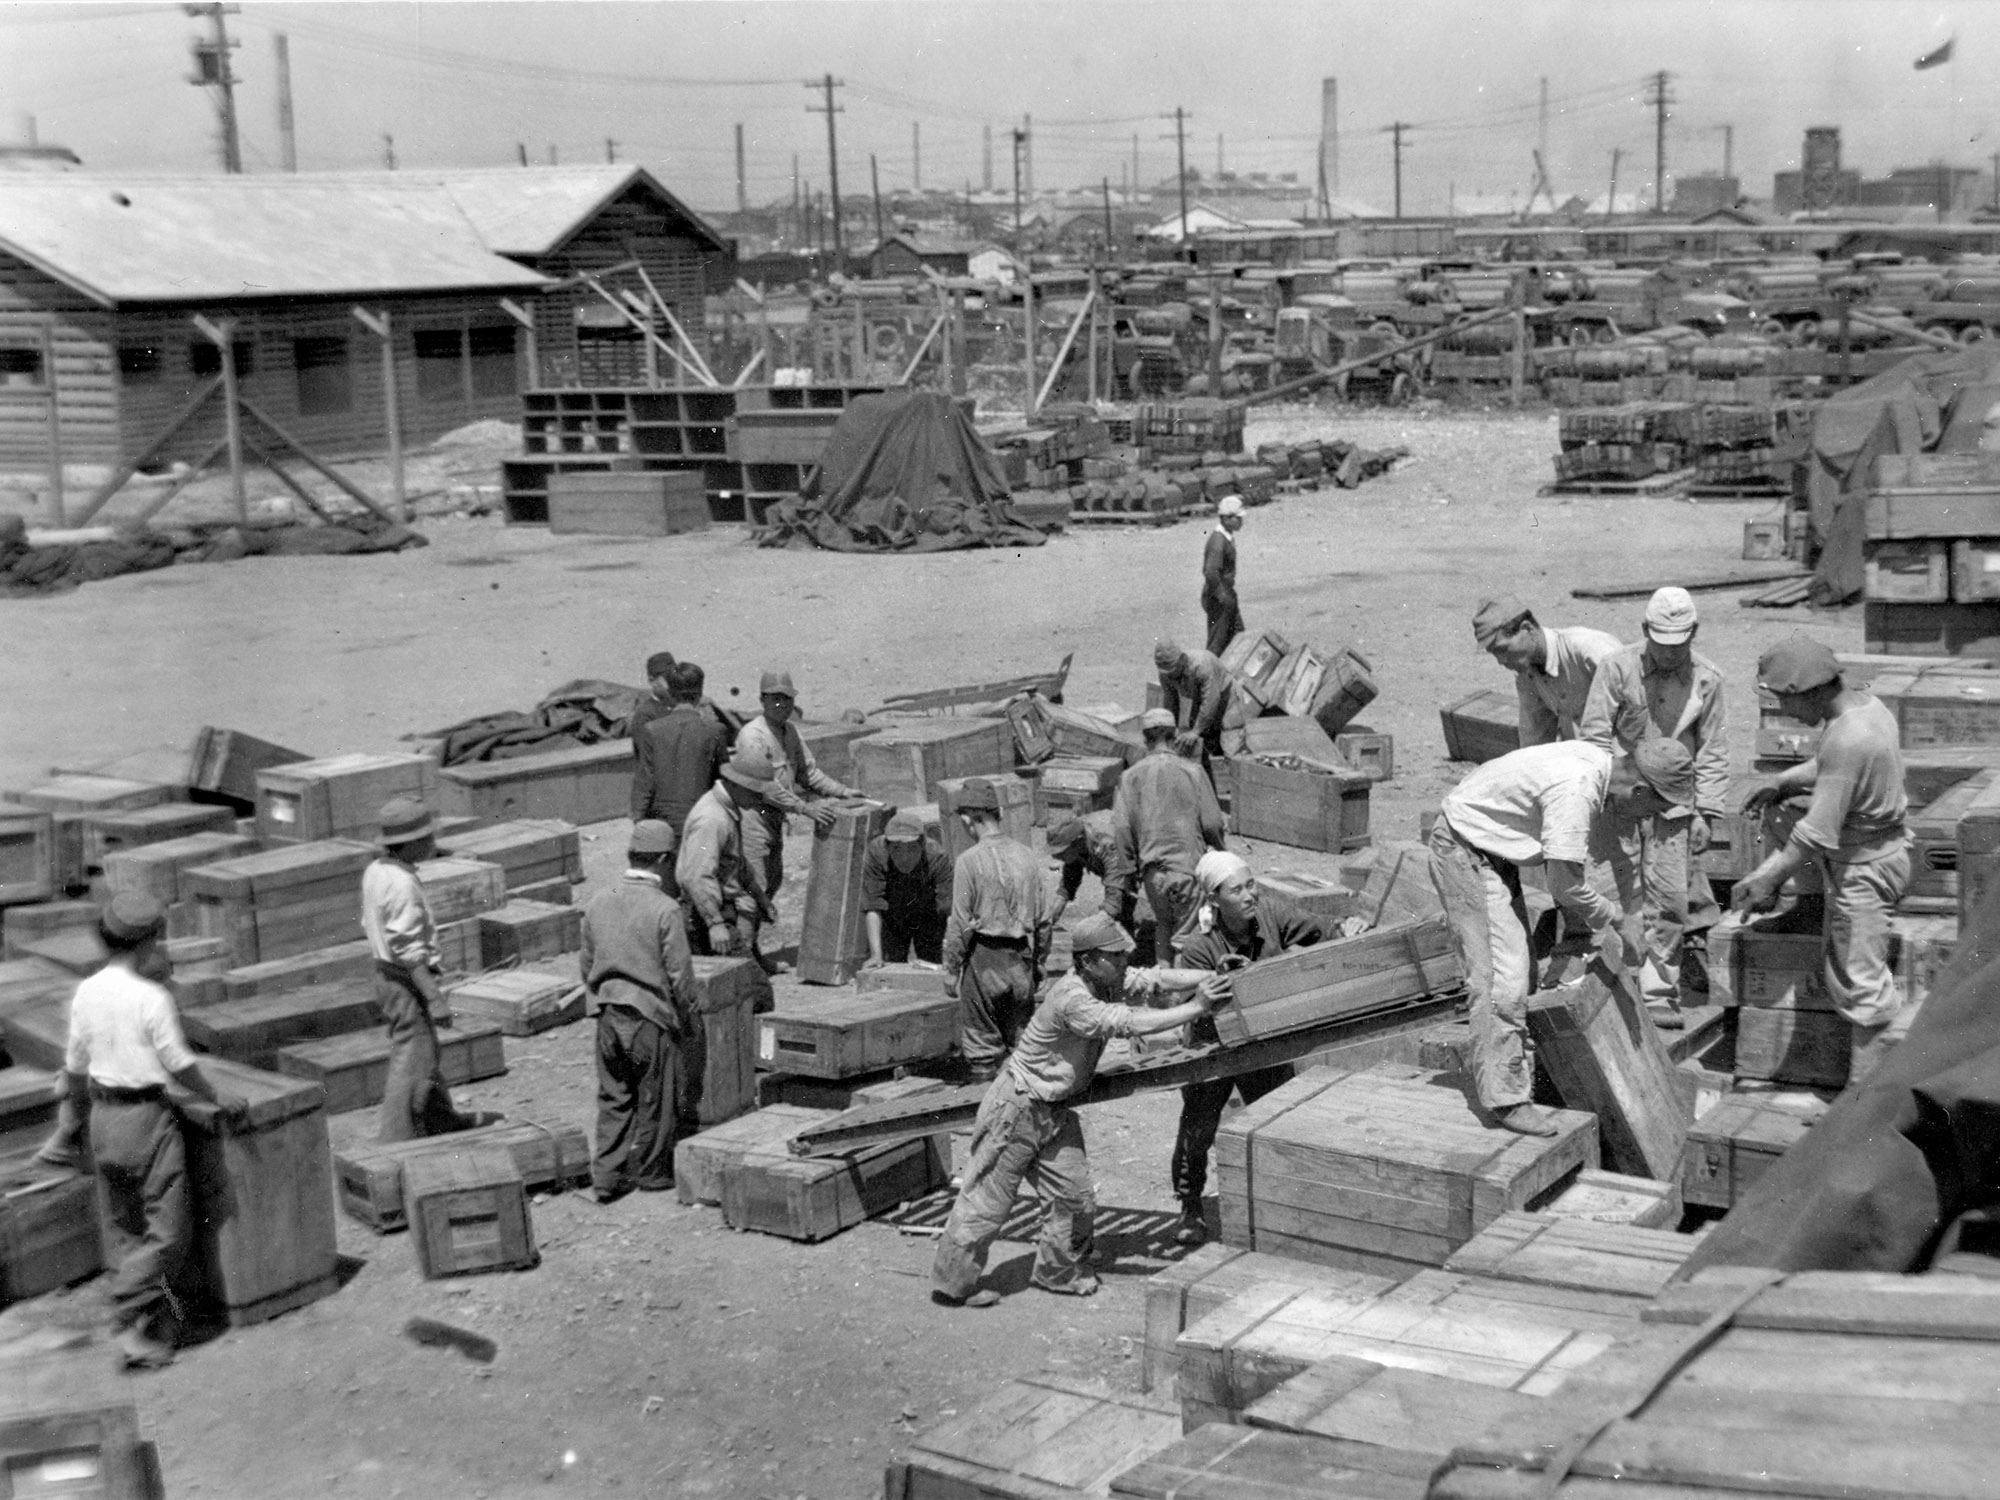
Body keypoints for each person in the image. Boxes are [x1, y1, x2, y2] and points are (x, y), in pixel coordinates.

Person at [931, 912, 1232, 1307]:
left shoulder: (1107, 980)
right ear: (1088, 960)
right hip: (1017, 1109)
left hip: (1053, 1112)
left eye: (1124, 955)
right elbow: (1128, 1023)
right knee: (986, 1202)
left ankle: (1056, 1272)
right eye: (1116, 956)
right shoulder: (1073, 998)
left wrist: (1210, 975)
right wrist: (1198, 1008)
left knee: (1074, 1199)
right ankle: (953, 1285)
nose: (1124, 962)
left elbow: (1157, 978)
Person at [1427, 738, 1688, 1134]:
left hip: (1486, 844)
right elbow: (1565, 885)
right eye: (1651, 810)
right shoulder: (1577, 791)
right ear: (1638, 791)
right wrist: (1618, 918)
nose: (1645, 821)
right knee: (1503, 980)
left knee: (1520, 971)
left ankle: (1521, 1074)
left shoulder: (1598, 763)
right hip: (1466, 850)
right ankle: (1506, 1099)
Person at [60, 894, 247, 1368]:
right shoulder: (151, 996)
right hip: (146, 1119)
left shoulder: (87, 991)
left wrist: (78, 1124)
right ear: (147, 943)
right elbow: (178, 1061)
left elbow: (76, 1069)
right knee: (169, 1230)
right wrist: (217, 1095)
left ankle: (152, 1327)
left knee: (126, 1228)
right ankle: (127, 1312)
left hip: (104, 1117)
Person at [1732, 636, 1910, 1086]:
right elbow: (1832, 767)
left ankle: (1863, 1105)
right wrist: (1786, 782)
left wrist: (1766, 876)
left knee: (1861, 988)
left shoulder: (1850, 737)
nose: (1787, 713)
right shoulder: (1863, 708)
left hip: (1866, 871)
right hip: (1866, 849)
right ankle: (1811, 908)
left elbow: (1817, 831)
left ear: (1807, 690)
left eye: (1785, 701)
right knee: (1781, 807)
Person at [1579, 587, 1728, 1022]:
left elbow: (1714, 749)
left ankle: (1660, 989)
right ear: (1646, 631)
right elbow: (1593, 735)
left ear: (1694, 633)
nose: (1669, 654)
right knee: (1619, 890)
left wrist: (1708, 811)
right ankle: (1616, 982)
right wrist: (1607, 793)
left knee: (1668, 896)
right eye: (1661, 644)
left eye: (1679, 644)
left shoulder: (1708, 680)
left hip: (1675, 805)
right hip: (1623, 799)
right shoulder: (1616, 668)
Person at [1167, 850, 1329, 1245]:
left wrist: (1344, 928)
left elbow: (1321, 931)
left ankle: (1278, 1204)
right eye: (1236, 889)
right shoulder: (1199, 947)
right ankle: (1190, 1205)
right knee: (1198, 1128)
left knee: (1278, 1119)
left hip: (1264, 1044)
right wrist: (1221, 980)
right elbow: (1185, 999)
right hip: (1213, 1048)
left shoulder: (1272, 915)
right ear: (1214, 901)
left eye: (1251, 884)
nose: (1248, 895)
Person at [579, 820, 701, 1204]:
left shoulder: (599, 900)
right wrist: (689, 1018)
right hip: (649, 1017)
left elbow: (586, 964)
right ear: (665, 860)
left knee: (614, 1098)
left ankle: (606, 1177)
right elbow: (680, 975)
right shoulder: (665, 909)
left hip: (607, 1015)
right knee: (656, 1097)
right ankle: (651, 1173)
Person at [364, 797, 480, 1143]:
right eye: (427, 838)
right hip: (404, 981)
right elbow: (409, 952)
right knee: (412, 1062)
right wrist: (435, 998)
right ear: (412, 843)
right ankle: (395, 1141)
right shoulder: (402, 886)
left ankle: (442, 1119)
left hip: (385, 975)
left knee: (424, 1053)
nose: (433, 843)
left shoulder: (378, 870)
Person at [940, 778, 1054, 1081]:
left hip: (984, 962)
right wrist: (1039, 964)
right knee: (1022, 1046)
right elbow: (1044, 921)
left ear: (968, 819)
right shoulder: (1027, 857)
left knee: (981, 1049)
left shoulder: (968, 861)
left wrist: (951, 969)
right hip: (1021, 960)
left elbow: (960, 923)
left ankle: (986, 1113)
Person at [734, 669, 859, 929]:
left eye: (787, 699)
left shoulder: (790, 732)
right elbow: (765, 786)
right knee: (754, 890)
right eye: (775, 699)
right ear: (762, 700)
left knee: (771, 882)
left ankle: (751, 950)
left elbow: (808, 773)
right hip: (752, 820)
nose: (782, 705)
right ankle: (746, 955)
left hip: (775, 819)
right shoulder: (752, 736)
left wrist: (843, 791)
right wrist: (805, 808)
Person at [1104, 709, 1227, 948]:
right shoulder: (1194, 771)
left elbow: (1121, 829)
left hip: (1153, 873)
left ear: (1145, 738)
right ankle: (1183, 984)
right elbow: (1213, 824)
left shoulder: (1130, 777)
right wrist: (1222, 852)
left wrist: (1129, 871)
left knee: (1164, 927)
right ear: (1174, 736)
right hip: (1187, 871)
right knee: (1188, 939)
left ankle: (1163, 979)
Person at [677, 744, 778, 970]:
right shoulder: (712, 820)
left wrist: (761, 899)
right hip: (706, 915)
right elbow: (697, 876)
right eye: (754, 791)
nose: (758, 798)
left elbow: (737, 864)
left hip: (720, 909)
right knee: (751, 990)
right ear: (734, 784)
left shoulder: (727, 810)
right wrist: (715, 924)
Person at [1472, 596, 1622, 746]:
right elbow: (1534, 739)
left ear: (1527, 629)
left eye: (1503, 649)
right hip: (1588, 758)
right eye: (1494, 654)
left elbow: (1638, 709)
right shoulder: (1527, 677)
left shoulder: (1590, 650)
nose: (1501, 661)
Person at [631, 661, 728, 852]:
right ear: (699, 694)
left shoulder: (653, 731)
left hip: (663, 821)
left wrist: (638, 819)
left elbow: (645, 780)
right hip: (702, 818)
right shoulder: (715, 730)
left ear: (671, 694)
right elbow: (723, 780)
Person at [862, 810, 953, 966]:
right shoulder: (877, 852)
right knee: (888, 964)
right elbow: (873, 905)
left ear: (922, 845)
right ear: (887, 846)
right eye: (896, 848)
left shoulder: (937, 857)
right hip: (893, 912)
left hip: (928, 913)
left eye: (911, 849)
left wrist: (953, 957)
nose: (904, 858)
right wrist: (876, 956)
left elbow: (950, 911)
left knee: (930, 965)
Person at [1154, 640, 1246, 765]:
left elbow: (1211, 700)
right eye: (1166, 672)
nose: (1170, 676)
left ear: (1182, 659)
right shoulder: (1166, 673)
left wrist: (1195, 731)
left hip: (1228, 696)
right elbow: (1171, 701)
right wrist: (1169, 729)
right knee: (1202, 744)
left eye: (1172, 670)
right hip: (1200, 698)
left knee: (1231, 744)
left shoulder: (1202, 665)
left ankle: (1229, 773)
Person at [1047, 810, 1119, 921]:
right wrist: (1059, 902)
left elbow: (1116, 884)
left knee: (1140, 921)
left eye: (1062, 853)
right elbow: (1072, 870)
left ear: (1078, 842)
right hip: (1123, 879)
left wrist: (1102, 918)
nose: (1056, 857)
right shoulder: (1078, 843)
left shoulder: (1106, 843)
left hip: (1140, 875)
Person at [1202, 494, 1246, 656]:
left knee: (1239, 637)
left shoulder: (1225, 537)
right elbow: (1210, 572)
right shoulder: (1218, 542)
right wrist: (1222, 596)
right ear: (1227, 519)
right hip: (1218, 598)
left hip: (1227, 595)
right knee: (1217, 644)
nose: (1241, 521)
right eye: (1238, 518)